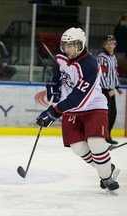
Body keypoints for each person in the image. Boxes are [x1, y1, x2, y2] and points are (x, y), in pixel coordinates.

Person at [36, 27, 120, 192]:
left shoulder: (90, 65)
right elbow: (58, 71)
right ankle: (107, 167)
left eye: (71, 45)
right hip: (72, 109)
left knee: (96, 144)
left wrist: (54, 112)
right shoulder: (62, 55)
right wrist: (54, 84)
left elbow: (77, 98)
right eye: (65, 45)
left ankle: (106, 177)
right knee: (78, 147)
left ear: (80, 45)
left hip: (93, 106)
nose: (67, 49)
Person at [97, 35, 123, 145]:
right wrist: (108, 88)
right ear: (104, 45)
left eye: (111, 43)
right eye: (107, 43)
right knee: (106, 114)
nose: (109, 45)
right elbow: (101, 75)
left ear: (115, 45)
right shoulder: (102, 58)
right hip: (104, 90)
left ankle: (107, 135)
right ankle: (103, 136)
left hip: (110, 90)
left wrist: (117, 87)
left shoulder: (113, 58)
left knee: (112, 114)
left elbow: (114, 74)